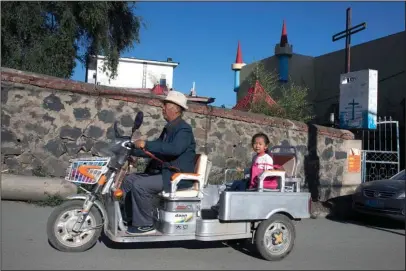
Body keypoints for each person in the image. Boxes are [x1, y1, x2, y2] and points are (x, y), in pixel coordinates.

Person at [122, 90, 196, 235]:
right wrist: (132, 151)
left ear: (175, 108)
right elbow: (157, 148)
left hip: (176, 176)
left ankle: (145, 224)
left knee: (140, 185)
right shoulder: (168, 129)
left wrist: (146, 144)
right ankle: (131, 218)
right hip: (165, 174)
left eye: (165, 105)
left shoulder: (184, 129)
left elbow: (174, 149)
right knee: (129, 180)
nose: (162, 108)